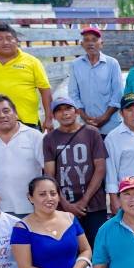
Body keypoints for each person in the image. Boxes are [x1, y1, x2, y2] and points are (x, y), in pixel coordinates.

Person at [43, 98, 108, 245]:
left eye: (68, 108)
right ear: (53, 116)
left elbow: (100, 168)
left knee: (98, 247)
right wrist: (65, 204)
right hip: (64, 206)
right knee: (70, 249)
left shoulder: (92, 133)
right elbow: (49, 176)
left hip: (94, 204)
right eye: (59, 110)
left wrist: (84, 200)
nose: (64, 113)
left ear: (76, 111)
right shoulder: (49, 139)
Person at [0, 23, 54, 134]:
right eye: (0, 39)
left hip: (27, 122)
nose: (5, 42)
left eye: (9, 38)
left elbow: (45, 91)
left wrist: (48, 118)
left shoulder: (32, 62)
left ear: (17, 41)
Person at [0, 95, 45, 216]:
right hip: (0, 210)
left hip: (33, 207)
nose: (1, 115)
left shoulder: (34, 136)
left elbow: (47, 169)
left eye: (6, 111)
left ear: (15, 113)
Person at [68, 26, 122, 133]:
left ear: (101, 43)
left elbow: (118, 94)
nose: (90, 43)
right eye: (86, 40)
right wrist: (84, 117)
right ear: (82, 44)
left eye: (94, 40)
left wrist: (105, 117)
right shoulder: (75, 65)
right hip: (85, 125)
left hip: (110, 126)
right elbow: (73, 94)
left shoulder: (112, 64)